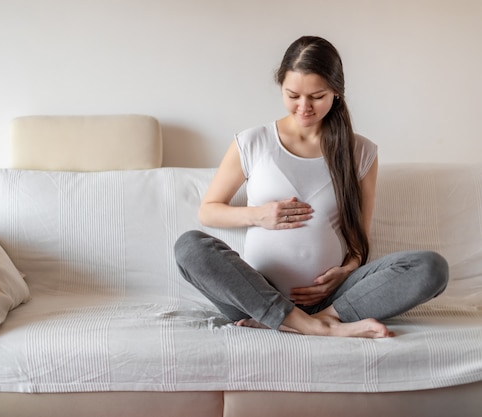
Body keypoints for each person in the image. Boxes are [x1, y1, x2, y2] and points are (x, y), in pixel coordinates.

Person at [174, 36, 448, 338]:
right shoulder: (253, 143)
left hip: (335, 299)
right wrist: (258, 215)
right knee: (190, 247)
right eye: (292, 95)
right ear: (281, 87)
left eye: (316, 96)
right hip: (256, 298)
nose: (303, 107)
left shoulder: (360, 152)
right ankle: (308, 325)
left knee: (431, 267)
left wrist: (346, 270)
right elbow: (208, 211)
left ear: (336, 92)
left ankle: (323, 320)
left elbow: (359, 238)